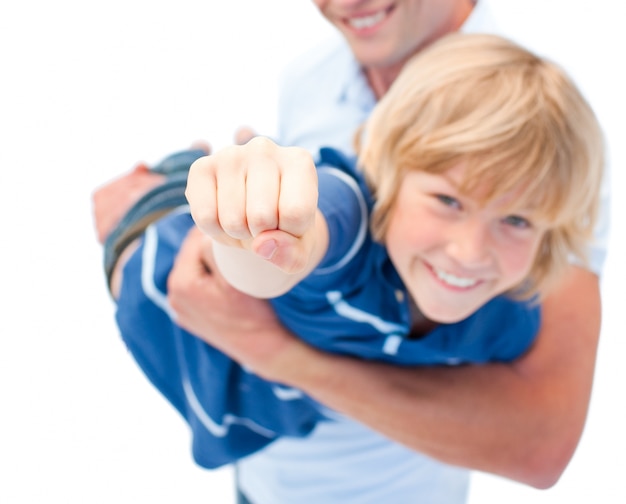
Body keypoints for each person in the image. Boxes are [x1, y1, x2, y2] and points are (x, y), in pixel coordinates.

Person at [93, 1, 610, 502]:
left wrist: (274, 354)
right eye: (448, 201)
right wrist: (265, 234)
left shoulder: (552, 137)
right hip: (173, 284)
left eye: (516, 220)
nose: (470, 249)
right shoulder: (314, 89)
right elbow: (316, 228)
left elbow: (540, 441)